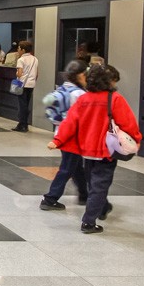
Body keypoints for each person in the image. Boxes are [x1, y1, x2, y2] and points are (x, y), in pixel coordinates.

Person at [47, 64, 142, 233]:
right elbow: (128, 124)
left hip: (88, 150)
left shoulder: (84, 99)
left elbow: (70, 122)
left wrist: (58, 140)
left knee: (94, 183)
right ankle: (89, 222)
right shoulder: (115, 99)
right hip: (106, 151)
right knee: (100, 185)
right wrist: (136, 140)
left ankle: (103, 208)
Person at [40, 60, 89, 211]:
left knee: (75, 166)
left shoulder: (62, 88)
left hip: (60, 133)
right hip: (73, 136)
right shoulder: (80, 94)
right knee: (67, 167)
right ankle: (50, 198)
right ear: (80, 75)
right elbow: (82, 117)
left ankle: (84, 194)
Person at [12, 40, 40, 132]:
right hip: (31, 84)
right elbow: (36, 74)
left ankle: (22, 124)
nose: (18, 50)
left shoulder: (21, 60)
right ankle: (24, 124)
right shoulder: (35, 59)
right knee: (26, 104)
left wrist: (17, 73)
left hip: (22, 84)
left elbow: (19, 74)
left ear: (23, 50)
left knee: (22, 105)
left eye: (19, 48)